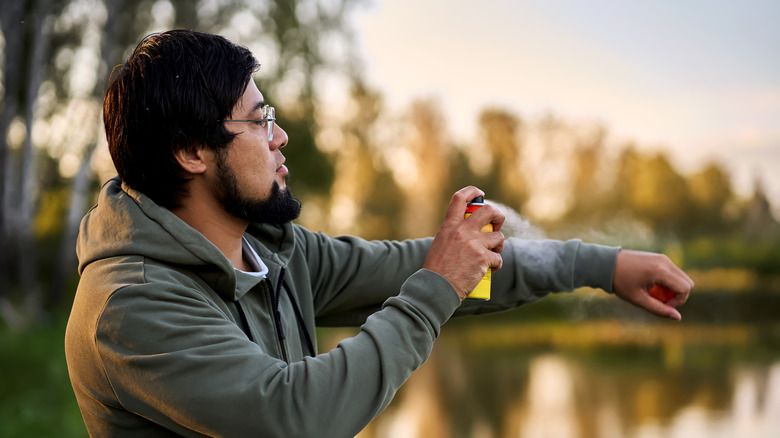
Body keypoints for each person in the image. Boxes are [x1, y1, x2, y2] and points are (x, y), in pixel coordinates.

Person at [64, 29, 694, 437]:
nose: (280, 138)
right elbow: (296, 416)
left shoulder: (273, 250)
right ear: (190, 151)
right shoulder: (130, 306)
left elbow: (447, 266)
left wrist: (603, 267)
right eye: (259, 122)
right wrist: (435, 287)